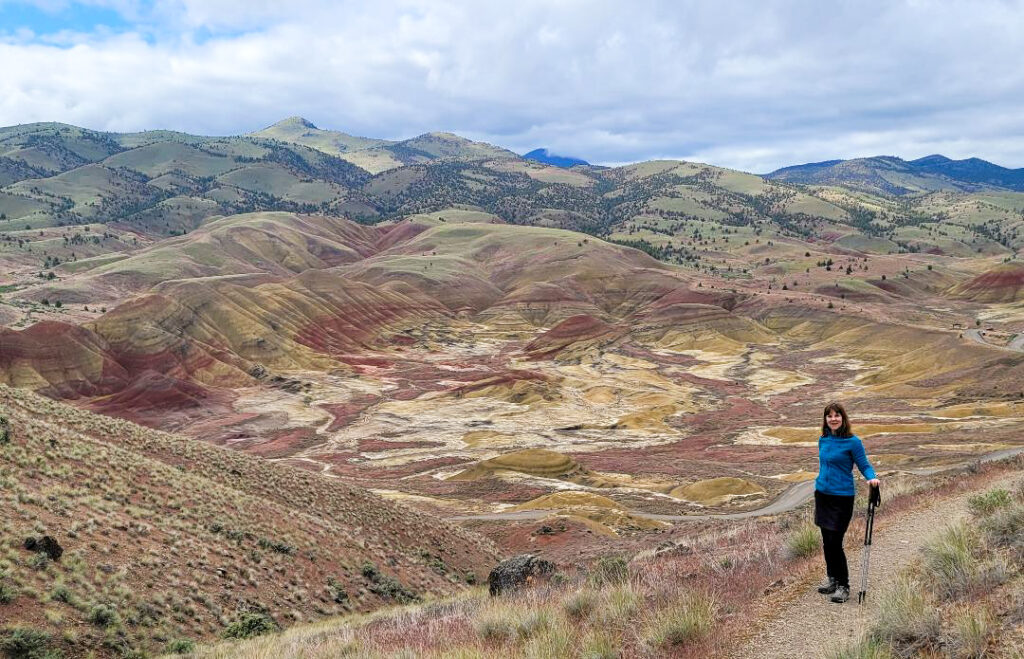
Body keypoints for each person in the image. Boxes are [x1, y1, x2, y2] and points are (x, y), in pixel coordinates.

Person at [814, 402, 880, 603]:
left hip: (842, 497)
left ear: (843, 418)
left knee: (835, 542)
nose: (833, 419)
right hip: (823, 495)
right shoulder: (823, 440)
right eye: (829, 416)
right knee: (826, 541)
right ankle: (832, 579)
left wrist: (872, 478)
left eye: (837, 415)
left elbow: (864, 465)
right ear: (825, 419)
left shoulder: (853, 442)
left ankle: (843, 585)